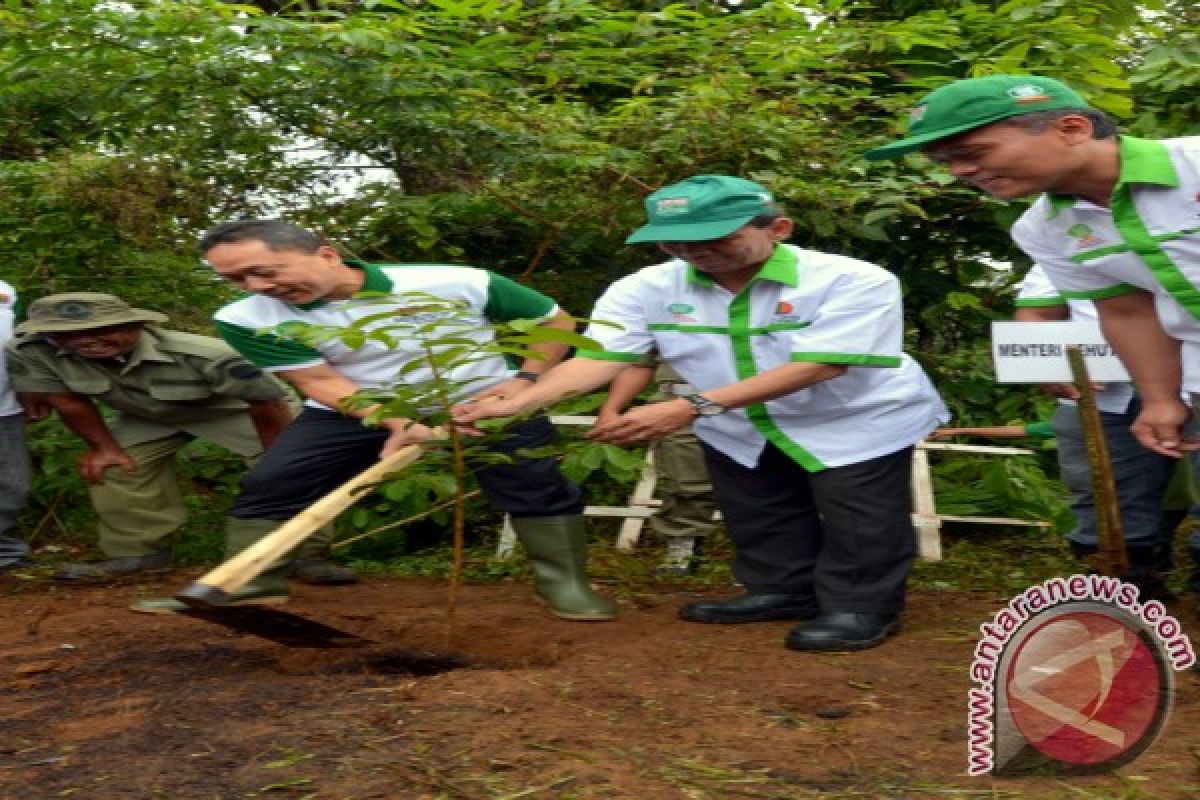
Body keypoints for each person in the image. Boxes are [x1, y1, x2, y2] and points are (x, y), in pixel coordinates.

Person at [455, 175, 949, 652]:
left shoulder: (853, 280)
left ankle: (861, 607)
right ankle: (785, 589)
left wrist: (689, 406)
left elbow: (821, 365)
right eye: (672, 243)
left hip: (853, 417)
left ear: (777, 228)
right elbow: (601, 356)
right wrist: (517, 403)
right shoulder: (646, 288)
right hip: (733, 418)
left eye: (713, 238)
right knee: (759, 505)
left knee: (858, 514)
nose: (692, 252)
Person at [143, 219, 616, 620]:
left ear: (326, 255)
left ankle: (564, 586)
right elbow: (318, 381)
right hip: (353, 408)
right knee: (273, 482)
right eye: (236, 279)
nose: (257, 287)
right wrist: (396, 420)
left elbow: (554, 321)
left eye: (263, 272)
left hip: (484, 399)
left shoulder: (458, 281)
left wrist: (526, 380)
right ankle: (250, 584)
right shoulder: (244, 317)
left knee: (533, 481)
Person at [866, 72, 1200, 610]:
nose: (961, 172)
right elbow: (1127, 309)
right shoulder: (1044, 229)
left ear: (1070, 128)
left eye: (972, 152)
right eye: (944, 163)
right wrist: (1160, 398)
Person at [5, 292, 353, 584]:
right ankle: (138, 557)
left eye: (100, 331)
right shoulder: (35, 351)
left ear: (136, 326)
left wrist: (280, 457)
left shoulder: (205, 354)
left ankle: (304, 556)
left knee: (287, 473)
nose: (83, 342)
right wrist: (103, 448)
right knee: (116, 467)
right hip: (149, 414)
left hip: (235, 409)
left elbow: (266, 402)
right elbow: (69, 400)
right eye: (64, 335)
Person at [1015, 264, 1174, 598]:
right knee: (1101, 487)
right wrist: (1050, 364)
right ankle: (1123, 580)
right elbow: (1036, 313)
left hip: (1190, 376)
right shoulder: (1066, 236)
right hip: (1101, 386)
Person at [596, 352, 720, 575]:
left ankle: (775, 559)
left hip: (767, 400)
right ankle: (683, 550)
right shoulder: (660, 317)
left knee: (771, 485)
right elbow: (640, 365)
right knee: (686, 482)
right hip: (678, 404)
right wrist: (610, 410)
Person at [0, 281, 32, 571]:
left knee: (12, 485)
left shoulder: (5, 291)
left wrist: (27, 389)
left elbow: (15, 343)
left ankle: (5, 555)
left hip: (4, 407)